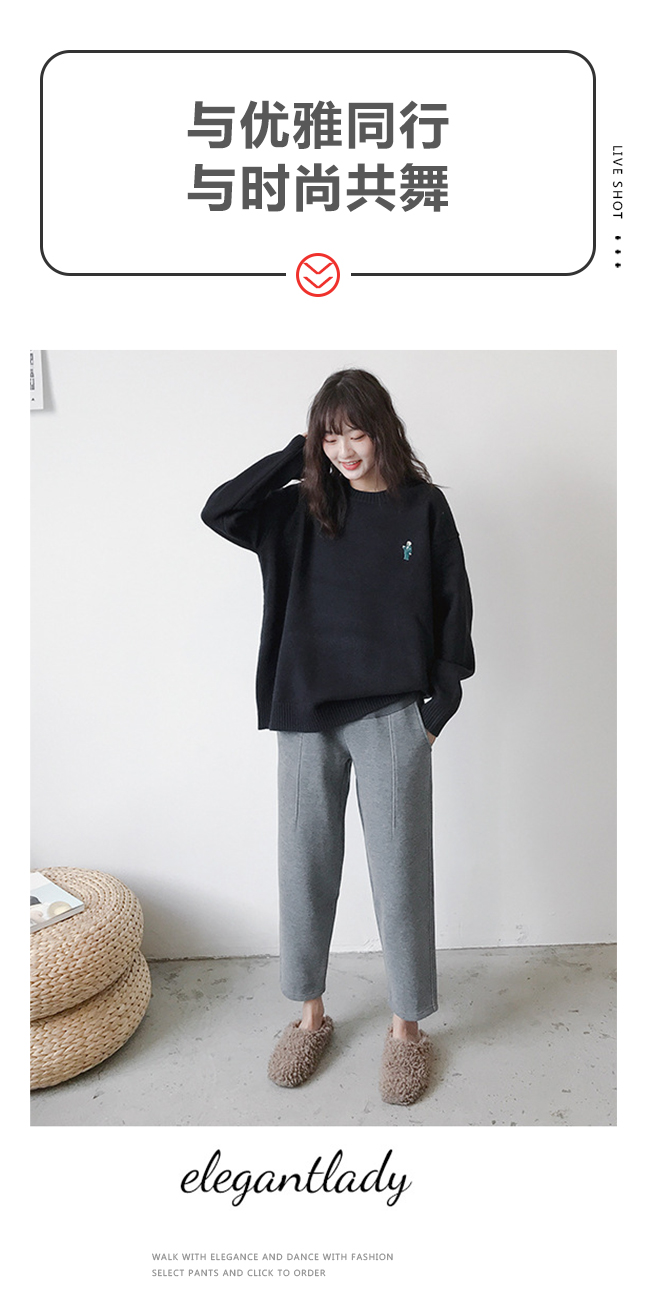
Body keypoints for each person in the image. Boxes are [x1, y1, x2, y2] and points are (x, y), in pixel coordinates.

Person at [201, 368, 474, 1105]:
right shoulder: (302, 507)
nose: (345, 450)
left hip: (393, 717)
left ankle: (406, 1029)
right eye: (330, 437)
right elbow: (220, 510)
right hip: (305, 716)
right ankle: (309, 1016)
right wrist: (299, 456)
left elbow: (454, 607)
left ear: (383, 428)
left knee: (400, 875)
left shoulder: (423, 507)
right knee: (305, 869)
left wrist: (435, 709)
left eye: (356, 433)